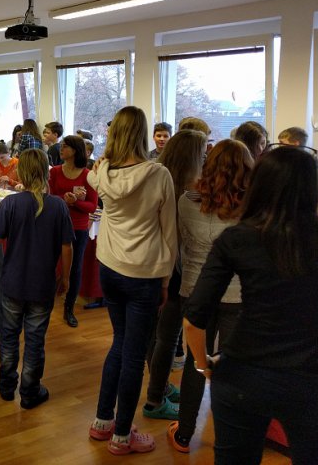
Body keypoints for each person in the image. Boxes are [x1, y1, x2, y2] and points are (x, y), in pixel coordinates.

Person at [184, 147, 318, 465]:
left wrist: (203, 365)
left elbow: (193, 319)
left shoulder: (237, 238)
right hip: (313, 376)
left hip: (244, 373)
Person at [87, 106, 177, 456]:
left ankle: (102, 422)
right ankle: (122, 436)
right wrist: (166, 280)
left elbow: (93, 178)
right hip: (144, 273)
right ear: (143, 134)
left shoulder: (102, 171)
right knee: (134, 354)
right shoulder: (158, 174)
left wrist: (101, 163)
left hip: (110, 267)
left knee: (119, 343)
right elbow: (169, 232)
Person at [167, 139, 252, 453]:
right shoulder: (252, 207)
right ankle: (232, 438)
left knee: (196, 361)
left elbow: (182, 245)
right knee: (232, 364)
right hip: (237, 293)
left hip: (195, 287)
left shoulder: (187, 201)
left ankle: (184, 433)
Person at [0, 149, 73, 409]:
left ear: (21, 172)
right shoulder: (58, 205)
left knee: (9, 336)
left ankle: (6, 385)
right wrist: (66, 278)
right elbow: (67, 247)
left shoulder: (10, 204)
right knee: (35, 340)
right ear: (46, 171)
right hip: (42, 284)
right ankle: (29, 391)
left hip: (13, 281)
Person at [141, 129, 207, 422]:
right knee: (167, 337)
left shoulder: (156, 181)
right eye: (202, 155)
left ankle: (160, 386)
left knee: (156, 335)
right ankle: (155, 400)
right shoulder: (184, 193)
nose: (205, 160)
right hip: (171, 271)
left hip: (153, 268)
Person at [48, 135, 98, 328]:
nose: (61, 149)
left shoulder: (88, 175)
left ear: (75, 150)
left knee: (75, 268)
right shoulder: (55, 172)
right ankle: (45, 302)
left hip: (78, 227)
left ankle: (69, 308)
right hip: (56, 225)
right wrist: (65, 199)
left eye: (65, 146)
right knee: (50, 264)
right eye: (61, 146)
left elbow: (92, 206)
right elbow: (49, 197)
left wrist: (75, 202)